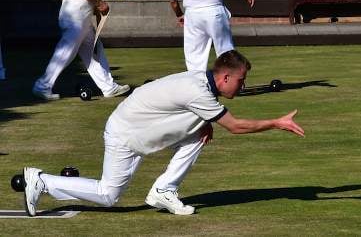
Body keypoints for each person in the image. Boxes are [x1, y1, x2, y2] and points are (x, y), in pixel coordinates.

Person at [22, 50, 304, 217]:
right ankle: (41, 181)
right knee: (108, 195)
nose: (242, 87)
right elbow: (235, 126)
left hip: (136, 128)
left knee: (201, 131)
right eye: (241, 81)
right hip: (125, 134)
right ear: (225, 77)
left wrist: (203, 122)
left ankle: (163, 190)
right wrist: (276, 123)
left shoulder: (201, 84)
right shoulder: (199, 92)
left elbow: (191, 112)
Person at [32, 0, 130, 100]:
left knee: (94, 51)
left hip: (77, 18)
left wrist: (84, 4)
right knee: (64, 54)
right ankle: (42, 86)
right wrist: (99, 4)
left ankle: (109, 87)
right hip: (76, 19)